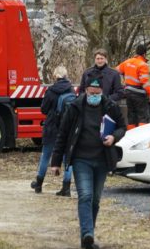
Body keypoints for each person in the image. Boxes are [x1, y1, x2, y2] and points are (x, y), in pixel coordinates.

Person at [50, 73, 125, 249]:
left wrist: (113, 138)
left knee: (95, 200)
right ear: (85, 91)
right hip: (81, 159)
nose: (94, 96)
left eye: (97, 93)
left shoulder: (110, 106)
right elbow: (63, 134)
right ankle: (87, 234)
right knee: (85, 195)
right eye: (91, 93)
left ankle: (88, 235)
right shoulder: (75, 107)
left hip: (102, 159)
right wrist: (55, 162)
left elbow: (122, 127)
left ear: (102, 92)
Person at [31, 66, 74, 196]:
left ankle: (38, 184)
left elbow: (43, 110)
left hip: (52, 127)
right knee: (67, 158)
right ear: (66, 76)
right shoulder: (71, 89)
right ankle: (66, 188)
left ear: (55, 76)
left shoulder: (51, 91)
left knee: (46, 156)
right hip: (67, 128)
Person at [116, 44, 150, 130]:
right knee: (142, 117)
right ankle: (141, 136)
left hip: (128, 92)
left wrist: (124, 75)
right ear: (144, 54)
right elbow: (144, 82)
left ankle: (131, 136)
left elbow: (117, 70)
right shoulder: (143, 65)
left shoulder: (128, 62)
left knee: (131, 117)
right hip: (139, 94)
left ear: (136, 52)